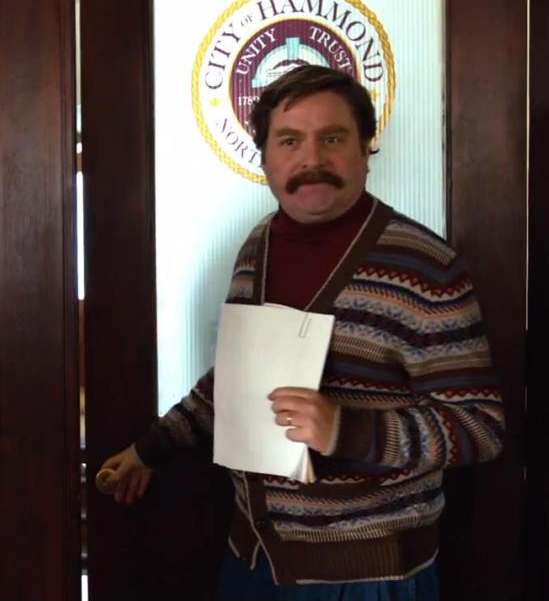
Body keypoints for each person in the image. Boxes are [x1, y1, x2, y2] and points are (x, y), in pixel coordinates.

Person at [100, 65, 505, 601]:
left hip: (369, 578)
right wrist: (151, 448)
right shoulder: (258, 247)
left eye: (332, 138)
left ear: (366, 148)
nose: (311, 159)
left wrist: (344, 431)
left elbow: (479, 427)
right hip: (252, 560)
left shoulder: (426, 267)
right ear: (264, 158)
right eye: (290, 141)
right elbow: (239, 377)